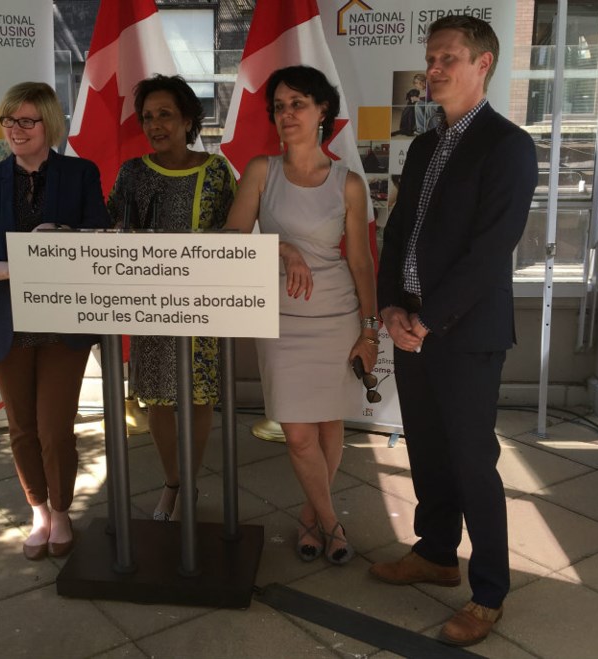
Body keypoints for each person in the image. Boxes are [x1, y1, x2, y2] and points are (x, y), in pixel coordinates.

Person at [369, 16, 538, 646]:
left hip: (464, 333)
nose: (432, 70)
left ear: (483, 63)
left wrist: (428, 320)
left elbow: (491, 250)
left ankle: (489, 592)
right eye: (430, 58)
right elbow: (397, 235)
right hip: (412, 324)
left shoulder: (508, 146)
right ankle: (437, 553)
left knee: (473, 462)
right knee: (427, 452)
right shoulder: (422, 145)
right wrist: (390, 308)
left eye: (447, 59)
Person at [224, 66, 377, 565]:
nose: (286, 114)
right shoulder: (260, 171)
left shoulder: (348, 183)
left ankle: (312, 519)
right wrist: (282, 247)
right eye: (279, 105)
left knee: (330, 424)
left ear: (322, 111)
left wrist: (370, 330)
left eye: (298, 103)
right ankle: (333, 523)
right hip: (281, 318)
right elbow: (232, 240)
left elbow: (360, 261)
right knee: (297, 432)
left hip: (337, 316)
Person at [0, 82, 111, 560]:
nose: (16, 130)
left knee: (55, 427)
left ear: (49, 123)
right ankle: (38, 511)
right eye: (9, 120)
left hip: (63, 325)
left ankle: (62, 509)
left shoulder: (80, 173)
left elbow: (99, 238)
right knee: (22, 427)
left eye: (27, 120)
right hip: (6, 325)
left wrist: (62, 237)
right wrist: (19, 266)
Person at [106, 74, 237, 522]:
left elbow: (234, 239)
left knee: (198, 397)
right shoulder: (132, 173)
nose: (156, 125)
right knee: (157, 398)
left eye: (165, 115)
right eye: (148, 117)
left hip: (202, 308)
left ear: (187, 119)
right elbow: (114, 235)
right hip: (150, 306)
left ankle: (191, 482)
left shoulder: (217, 171)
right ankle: (173, 483)